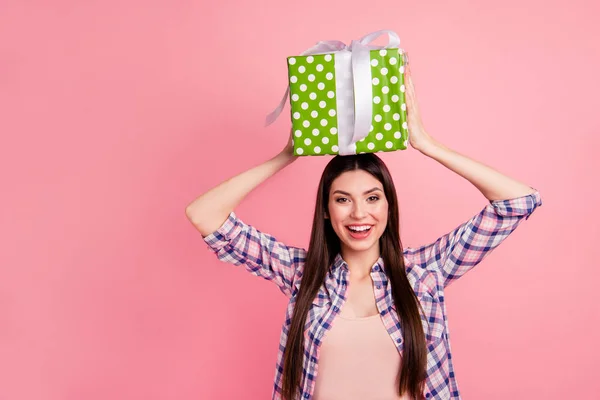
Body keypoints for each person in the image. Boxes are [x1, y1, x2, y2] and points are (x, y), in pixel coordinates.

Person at [185, 64, 543, 400]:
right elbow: (204, 214)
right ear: (326, 211)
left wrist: (426, 143)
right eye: (343, 199)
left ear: (389, 205)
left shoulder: (424, 271)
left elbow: (518, 201)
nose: (359, 213)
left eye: (372, 198)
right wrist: (287, 154)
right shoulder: (301, 273)